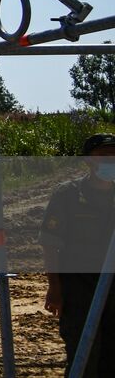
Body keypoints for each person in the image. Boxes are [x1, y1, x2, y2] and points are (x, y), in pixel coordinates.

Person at [41, 132, 115, 375]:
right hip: (78, 288)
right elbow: (50, 245)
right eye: (104, 156)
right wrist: (55, 287)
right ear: (88, 160)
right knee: (83, 357)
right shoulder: (67, 195)